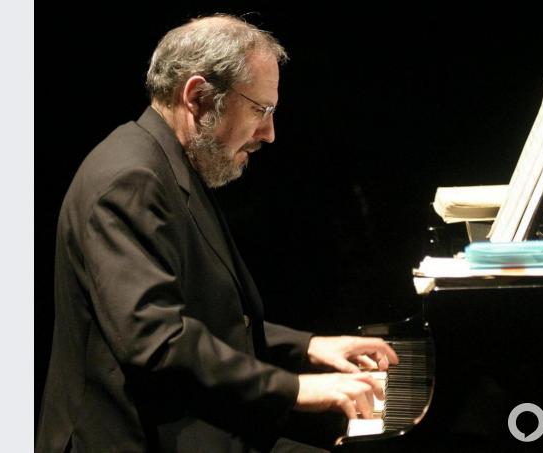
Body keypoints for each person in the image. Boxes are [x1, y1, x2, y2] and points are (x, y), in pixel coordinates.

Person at [36, 14, 398, 453]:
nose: (269, 133)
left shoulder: (168, 165)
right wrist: (298, 389)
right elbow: (157, 344)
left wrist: (309, 346)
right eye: (260, 110)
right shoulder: (131, 179)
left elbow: (206, 316)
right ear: (198, 97)